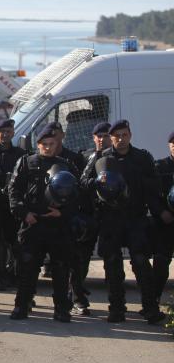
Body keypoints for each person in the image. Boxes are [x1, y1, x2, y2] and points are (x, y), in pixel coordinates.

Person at [81, 119, 170, 324]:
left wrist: (139, 188)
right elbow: (83, 182)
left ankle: (150, 309)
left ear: (130, 135)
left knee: (141, 262)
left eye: (124, 135)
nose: (121, 139)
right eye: (116, 136)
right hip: (110, 218)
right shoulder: (101, 157)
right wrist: (98, 181)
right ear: (111, 137)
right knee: (112, 265)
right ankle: (117, 309)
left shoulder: (142, 157)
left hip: (135, 218)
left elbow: (154, 186)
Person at [7, 124, 78, 322]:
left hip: (57, 225)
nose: (48, 147)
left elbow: (76, 195)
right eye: (44, 144)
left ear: (57, 144)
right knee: (27, 267)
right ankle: (22, 305)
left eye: (51, 143)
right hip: (33, 223)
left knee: (61, 269)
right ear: (38, 144)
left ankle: (61, 309)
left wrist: (62, 213)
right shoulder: (26, 162)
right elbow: (14, 191)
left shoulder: (66, 165)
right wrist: (24, 213)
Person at [69, 121, 111, 315]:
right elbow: (79, 183)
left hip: (110, 215)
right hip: (88, 215)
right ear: (93, 138)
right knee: (81, 258)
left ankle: (116, 303)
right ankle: (77, 297)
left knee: (111, 258)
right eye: (98, 136)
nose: (102, 139)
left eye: (105, 136)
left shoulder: (116, 158)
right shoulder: (85, 157)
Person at [0, 118, 25, 290]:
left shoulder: (21, 154)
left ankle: (14, 274)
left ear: (13, 133)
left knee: (15, 242)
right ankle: (0, 275)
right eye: (2, 131)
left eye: (8, 131)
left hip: (14, 204)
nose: (5, 134)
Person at [152, 131, 174, 306]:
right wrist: (161, 212)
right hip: (166, 223)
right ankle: (154, 299)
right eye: (173, 144)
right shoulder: (160, 167)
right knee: (160, 262)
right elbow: (151, 195)